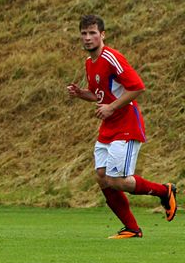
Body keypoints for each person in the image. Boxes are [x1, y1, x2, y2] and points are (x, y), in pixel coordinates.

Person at [67, 15, 177, 238]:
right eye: (84, 34)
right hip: (108, 127)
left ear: (102, 35)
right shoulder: (90, 62)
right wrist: (81, 94)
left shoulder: (112, 58)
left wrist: (111, 108)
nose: (87, 38)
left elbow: (137, 87)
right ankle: (132, 228)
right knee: (101, 176)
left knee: (117, 181)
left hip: (126, 125)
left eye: (92, 33)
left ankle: (164, 191)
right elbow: (99, 94)